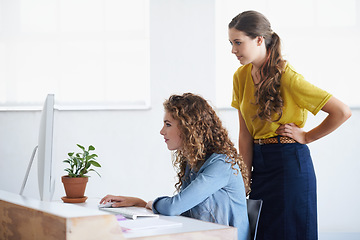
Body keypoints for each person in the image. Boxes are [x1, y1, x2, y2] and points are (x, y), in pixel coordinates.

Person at [228, 10, 351, 240]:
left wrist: (307, 136)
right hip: (260, 168)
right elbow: (244, 135)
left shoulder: (288, 77)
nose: (233, 50)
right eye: (231, 43)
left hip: (289, 164)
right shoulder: (240, 76)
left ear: (258, 40)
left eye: (238, 42)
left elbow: (342, 112)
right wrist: (244, 178)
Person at [100, 93, 251, 240]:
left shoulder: (221, 165)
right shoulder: (192, 163)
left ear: (189, 128)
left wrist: (150, 204)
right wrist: (141, 203)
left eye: (168, 124)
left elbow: (175, 207)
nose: (162, 131)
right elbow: (183, 209)